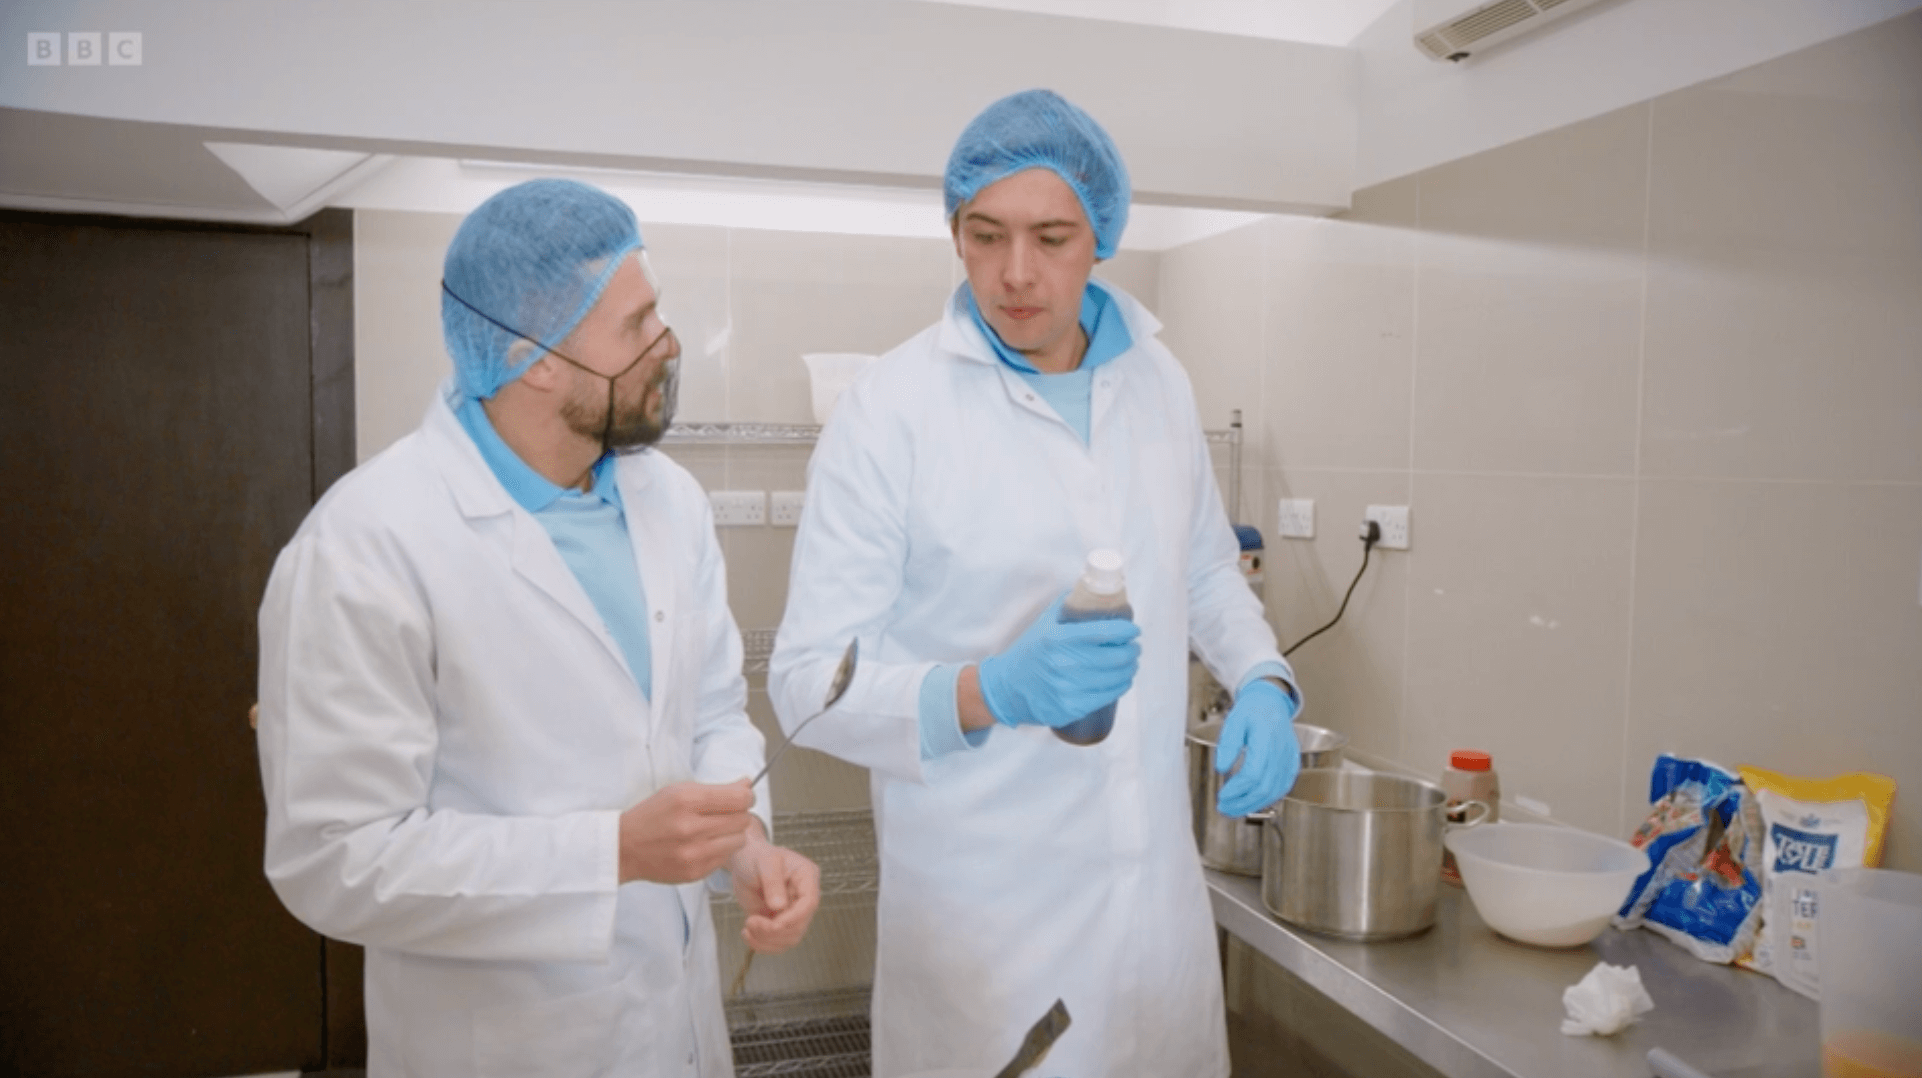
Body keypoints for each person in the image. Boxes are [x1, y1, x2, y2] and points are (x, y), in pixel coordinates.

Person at [769, 90, 1303, 1077]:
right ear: (953, 233)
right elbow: (806, 682)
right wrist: (985, 690)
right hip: (987, 937)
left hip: (1152, 916)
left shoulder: (1158, 382)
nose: (1013, 274)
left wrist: (1264, 676)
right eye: (984, 235)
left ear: (1100, 235)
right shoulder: (891, 413)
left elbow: (1199, 570)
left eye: (1050, 237)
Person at [256, 178, 820, 1077]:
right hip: (506, 1044)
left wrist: (739, 847)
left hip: (676, 1028)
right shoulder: (367, 546)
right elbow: (336, 859)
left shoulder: (667, 499)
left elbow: (712, 713)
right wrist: (612, 852)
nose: (667, 344)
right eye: (636, 326)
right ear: (536, 358)